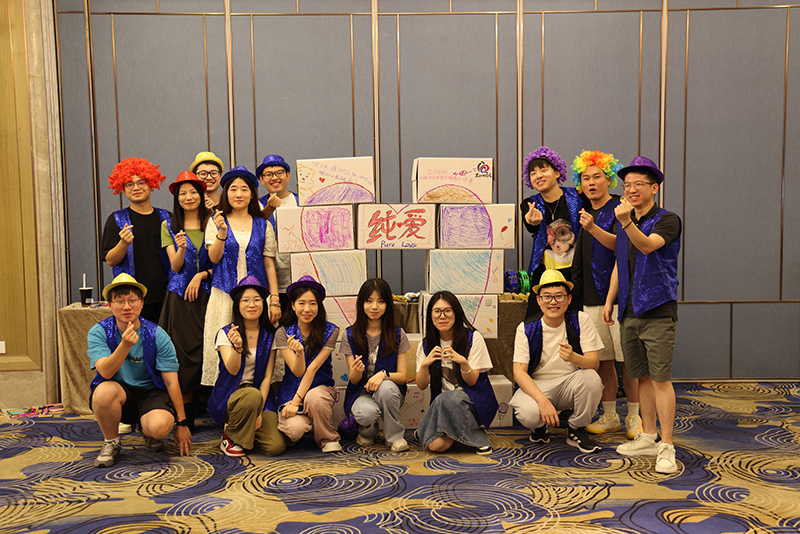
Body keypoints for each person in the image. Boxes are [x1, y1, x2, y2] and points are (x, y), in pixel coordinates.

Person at [602, 156, 682, 474]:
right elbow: (620, 261)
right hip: (628, 310)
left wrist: (625, 223)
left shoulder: (668, 219)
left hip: (657, 309)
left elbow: (648, 246)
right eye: (627, 185)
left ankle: (667, 445)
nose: (631, 190)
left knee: (661, 379)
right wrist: (610, 301)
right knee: (642, 377)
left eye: (638, 184)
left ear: (654, 188)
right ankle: (648, 436)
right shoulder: (626, 221)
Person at [568, 150, 642, 440]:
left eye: (597, 176)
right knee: (603, 361)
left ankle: (634, 416)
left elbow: (621, 246)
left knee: (629, 361)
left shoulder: (621, 208)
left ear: (608, 179)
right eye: (585, 178)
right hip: (590, 299)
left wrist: (592, 228)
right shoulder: (585, 212)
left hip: (621, 299)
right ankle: (610, 415)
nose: (591, 182)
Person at [87, 274, 191, 467]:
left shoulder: (157, 334)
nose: (126, 307)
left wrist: (182, 423)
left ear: (142, 303)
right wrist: (125, 345)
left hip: (151, 393)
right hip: (119, 393)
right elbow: (105, 372)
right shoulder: (99, 332)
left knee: (159, 427)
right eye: (120, 301)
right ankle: (111, 442)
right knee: (103, 392)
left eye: (132, 300)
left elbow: (171, 382)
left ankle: (147, 430)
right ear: (109, 305)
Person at [202, 166, 281, 387]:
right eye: (233, 189)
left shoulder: (263, 224)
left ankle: (262, 396)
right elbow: (214, 258)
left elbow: (269, 264)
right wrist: (222, 232)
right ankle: (226, 398)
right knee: (227, 349)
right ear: (225, 193)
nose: (239, 194)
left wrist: (275, 300)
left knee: (261, 346)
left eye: (244, 189)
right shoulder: (215, 221)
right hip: (224, 296)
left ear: (252, 194)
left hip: (258, 297)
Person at [510, 270, 604, 454]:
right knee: (527, 414)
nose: (553, 302)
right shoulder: (526, 328)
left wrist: (574, 357)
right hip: (538, 385)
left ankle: (576, 428)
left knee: (592, 378)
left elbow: (594, 363)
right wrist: (542, 401)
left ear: (568, 299)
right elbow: (519, 372)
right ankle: (539, 426)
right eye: (547, 297)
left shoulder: (581, 320)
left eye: (559, 296)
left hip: (571, 383)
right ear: (538, 300)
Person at [208, 275, 298, 457]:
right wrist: (238, 347)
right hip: (231, 395)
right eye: (245, 300)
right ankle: (230, 436)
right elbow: (233, 370)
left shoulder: (270, 334)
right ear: (237, 305)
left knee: (275, 446)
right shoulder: (226, 333)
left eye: (257, 300)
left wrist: (258, 413)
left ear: (263, 304)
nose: (252, 305)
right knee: (251, 395)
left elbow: (267, 377)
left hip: (260, 396)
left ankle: (244, 431)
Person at [158, 171, 213, 430]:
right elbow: (175, 266)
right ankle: (186, 416)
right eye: (183, 193)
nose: (188, 197)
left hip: (210, 294)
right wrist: (181, 247)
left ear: (201, 195)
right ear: (176, 198)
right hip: (180, 298)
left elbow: (222, 261)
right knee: (182, 353)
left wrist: (201, 275)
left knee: (209, 348)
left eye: (193, 192)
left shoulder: (213, 221)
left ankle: (214, 408)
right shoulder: (168, 226)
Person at [415, 291, 498, 455]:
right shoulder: (425, 344)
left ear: (456, 313)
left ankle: (479, 440)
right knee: (437, 446)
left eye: (447, 310)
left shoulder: (474, 338)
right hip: (443, 407)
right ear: (430, 315)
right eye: (437, 311)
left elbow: (473, 381)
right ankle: (443, 431)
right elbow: (421, 385)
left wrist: (463, 362)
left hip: (474, 401)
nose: (442, 316)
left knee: (447, 397)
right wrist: (424, 365)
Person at [274, 276, 342, 452]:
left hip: (320, 388)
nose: (307, 309)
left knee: (315, 398)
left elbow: (312, 369)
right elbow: (298, 372)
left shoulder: (331, 330)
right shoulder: (283, 332)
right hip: (291, 390)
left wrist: (296, 402)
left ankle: (327, 437)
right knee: (295, 430)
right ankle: (303, 425)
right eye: (301, 303)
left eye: (312, 303)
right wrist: (299, 352)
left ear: (319, 306)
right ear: (292, 305)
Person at [341, 278, 410, 452]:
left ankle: (394, 437)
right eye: (369, 301)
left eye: (380, 301)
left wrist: (383, 375)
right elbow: (354, 380)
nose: (374, 307)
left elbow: (403, 376)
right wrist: (357, 371)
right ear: (361, 304)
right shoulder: (349, 335)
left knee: (386, 387)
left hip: (390, 392)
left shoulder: (398, 334)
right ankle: (369, 431)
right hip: (361, 392)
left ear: (387, 305)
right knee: (366, 414)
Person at [102, 157, 171, 323]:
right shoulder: (116, 219)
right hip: (130, 299)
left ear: (151, 184)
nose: (136, 188)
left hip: (165, 296)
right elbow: (110, 260)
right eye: (129, 184)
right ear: (122, 189)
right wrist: (123, 243)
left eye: (141, 182)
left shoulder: (167, 218)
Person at [520, 146, 584, 318]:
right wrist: (531, 220)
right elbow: (529, 222)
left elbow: (601, 200)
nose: (538, 175)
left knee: (576, 320)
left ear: (557, 172)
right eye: (533, 173)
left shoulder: (578, 196)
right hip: (545, 273)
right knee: (535, 321)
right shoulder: (530, 203)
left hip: (576, 271)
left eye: (543, 170)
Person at [256, 154, 299, 310]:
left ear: (288, 176)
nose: (274, 178)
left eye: (279, 173)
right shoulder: (256, 206)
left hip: (301, 276)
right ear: (262, 180)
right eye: (268, 174)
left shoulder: (302, 202)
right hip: (271, 282)